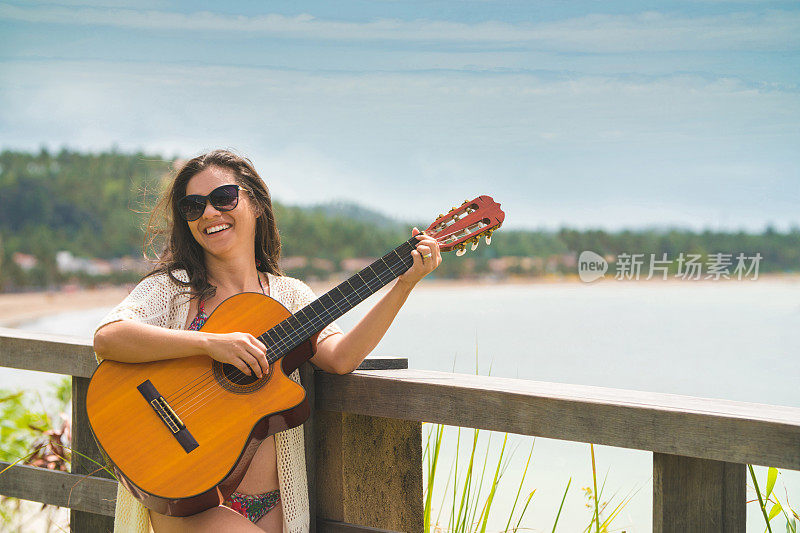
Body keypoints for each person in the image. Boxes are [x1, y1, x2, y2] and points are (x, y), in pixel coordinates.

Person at [92, 149, 442, 533]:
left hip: (275, 503)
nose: (210, 213)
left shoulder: (290, 296)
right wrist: (211, 344)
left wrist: (403, 285)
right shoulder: (173, 290)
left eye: (224, 197)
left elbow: (341, 358)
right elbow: (109, 337)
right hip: (188, 501)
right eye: (194, 206)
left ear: (256, 203)